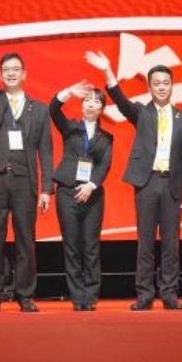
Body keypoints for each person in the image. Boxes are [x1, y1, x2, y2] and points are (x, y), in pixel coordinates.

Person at [85, 51, 182, 311]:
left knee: (171, 244)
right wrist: (107, 71)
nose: (161, 87)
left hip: (171, 185)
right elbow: (120, 100)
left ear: (172, 85)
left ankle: (169, 294)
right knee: (145, 243)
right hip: (147, 184)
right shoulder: (142, 113)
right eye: (156, 83)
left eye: (165, 83)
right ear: (149, 87)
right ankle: (145, 294)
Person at [0, 0, 53, 313]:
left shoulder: (39, 109)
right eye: (6, 70)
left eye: (16, 69)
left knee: (26, 238)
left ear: (24, 74)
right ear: (1, 75)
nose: (11, 74)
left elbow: (46, 150)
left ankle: (25, 294)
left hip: (24, 180)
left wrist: (46, 189)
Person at [49, 80, 113, 311]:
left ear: (102, 108)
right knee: (72, 245)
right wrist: (68, 92)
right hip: (67, 192)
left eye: (95, 101)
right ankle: (77, 297)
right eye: (87, 100)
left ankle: (91, 296)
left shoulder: (106, 137)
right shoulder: (71, 128)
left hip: (93, 196)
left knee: (91, 246)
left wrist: (91, 185)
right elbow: (53, 109)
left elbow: (105, 164)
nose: (90, 104)